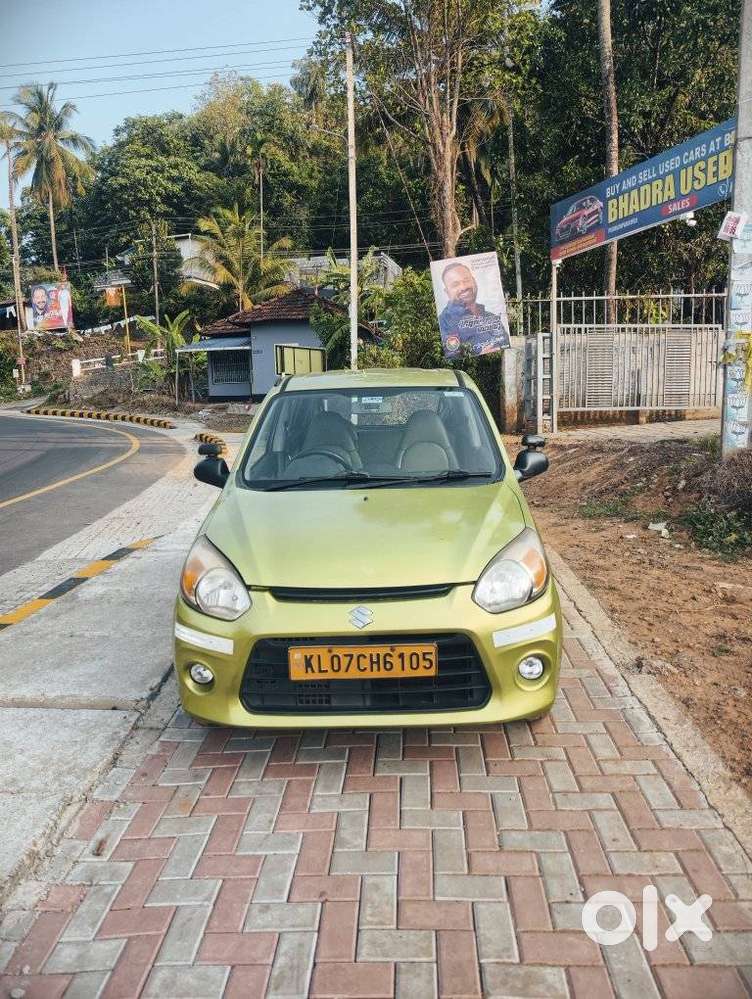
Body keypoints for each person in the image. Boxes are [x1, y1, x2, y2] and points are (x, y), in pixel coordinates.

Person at [437, 262, 507, 357]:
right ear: (447, 292)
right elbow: (452, 359)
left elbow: (506, 346)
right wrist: (481, 357)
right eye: (455, 285)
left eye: (466, 280)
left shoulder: (491, 317)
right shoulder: (445, 322)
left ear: (474, 281)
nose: (463, 287)